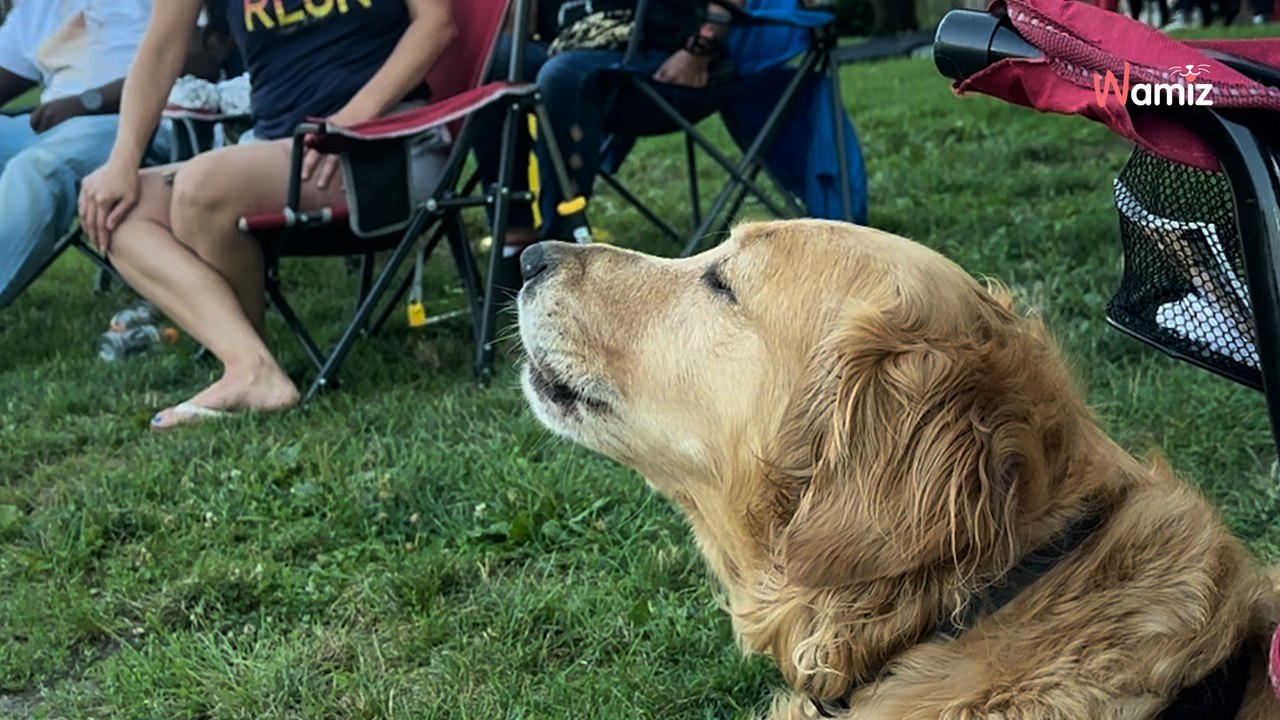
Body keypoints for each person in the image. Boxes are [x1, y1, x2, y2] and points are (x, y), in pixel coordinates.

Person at [77, 0, 456, 429]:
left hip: (387, 143)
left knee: (203, 186)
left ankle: (250, 372)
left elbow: (436, 26)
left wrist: (349, 121)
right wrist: (123, 160)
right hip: (274, 153)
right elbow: (160, 48)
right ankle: (249, 363)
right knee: (119, 212)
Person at [473, 0, 744, 290]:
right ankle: (513, 235)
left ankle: (558, 243)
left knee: (560, 76)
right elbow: (521, 30)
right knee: (493, 59)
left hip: (655, 55)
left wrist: (698, 51)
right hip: (568, 49)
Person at [0, 0, 217, 309]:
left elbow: (201, 59)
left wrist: (89, 101)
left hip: (133, 126)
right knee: (38, 158)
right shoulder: (38, 7)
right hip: (46, 127)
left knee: (36, 170)